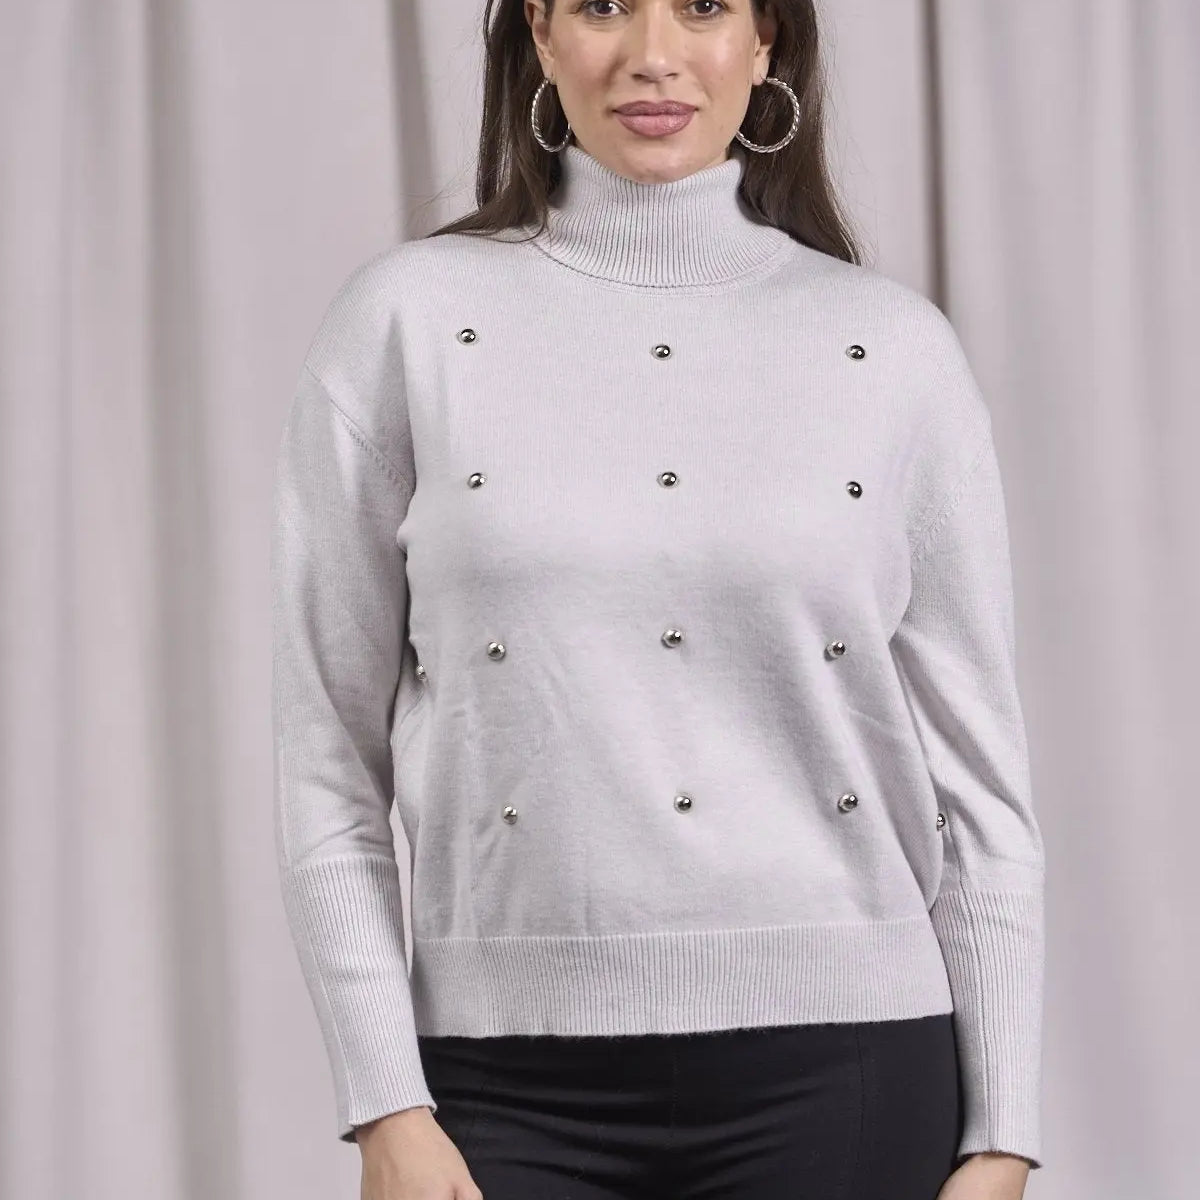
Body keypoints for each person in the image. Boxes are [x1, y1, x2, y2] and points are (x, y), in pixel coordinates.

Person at [270, 1, 1046, 1197]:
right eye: (600, 6)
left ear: (766, 40)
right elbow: (327, 753)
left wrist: (1003, 1137)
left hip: (848, 1077)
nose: (652, 56)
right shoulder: (407, 323)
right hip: (498, 1088)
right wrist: (384, 1106)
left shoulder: (893, 351)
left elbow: (981, 785)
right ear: (539, 33)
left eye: (703, 7)